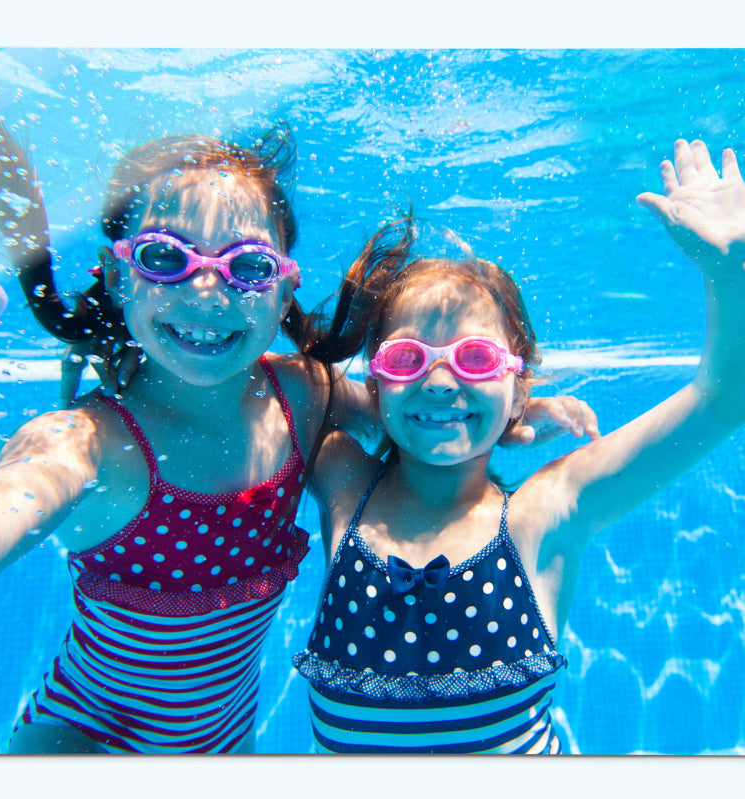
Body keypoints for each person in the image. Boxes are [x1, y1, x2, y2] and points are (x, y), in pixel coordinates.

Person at [0, 94, 596, 754]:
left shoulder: (302, 395)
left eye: (247, 266)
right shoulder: (85, 443)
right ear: (118, 276)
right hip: (85, 740)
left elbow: (414, 417)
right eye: (165, 258)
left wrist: (508, 415)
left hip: (224, 742)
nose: (207, 291)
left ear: (284, 290)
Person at [292, 138, 745, 754]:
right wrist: (506, 411)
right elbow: (278, 382)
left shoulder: (545, 512)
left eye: (476, 359)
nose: (442, 380)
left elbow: (721, 402)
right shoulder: (343, 478)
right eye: (407, 359)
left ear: (519, 376)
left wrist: (729, 274)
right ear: (374, 381)